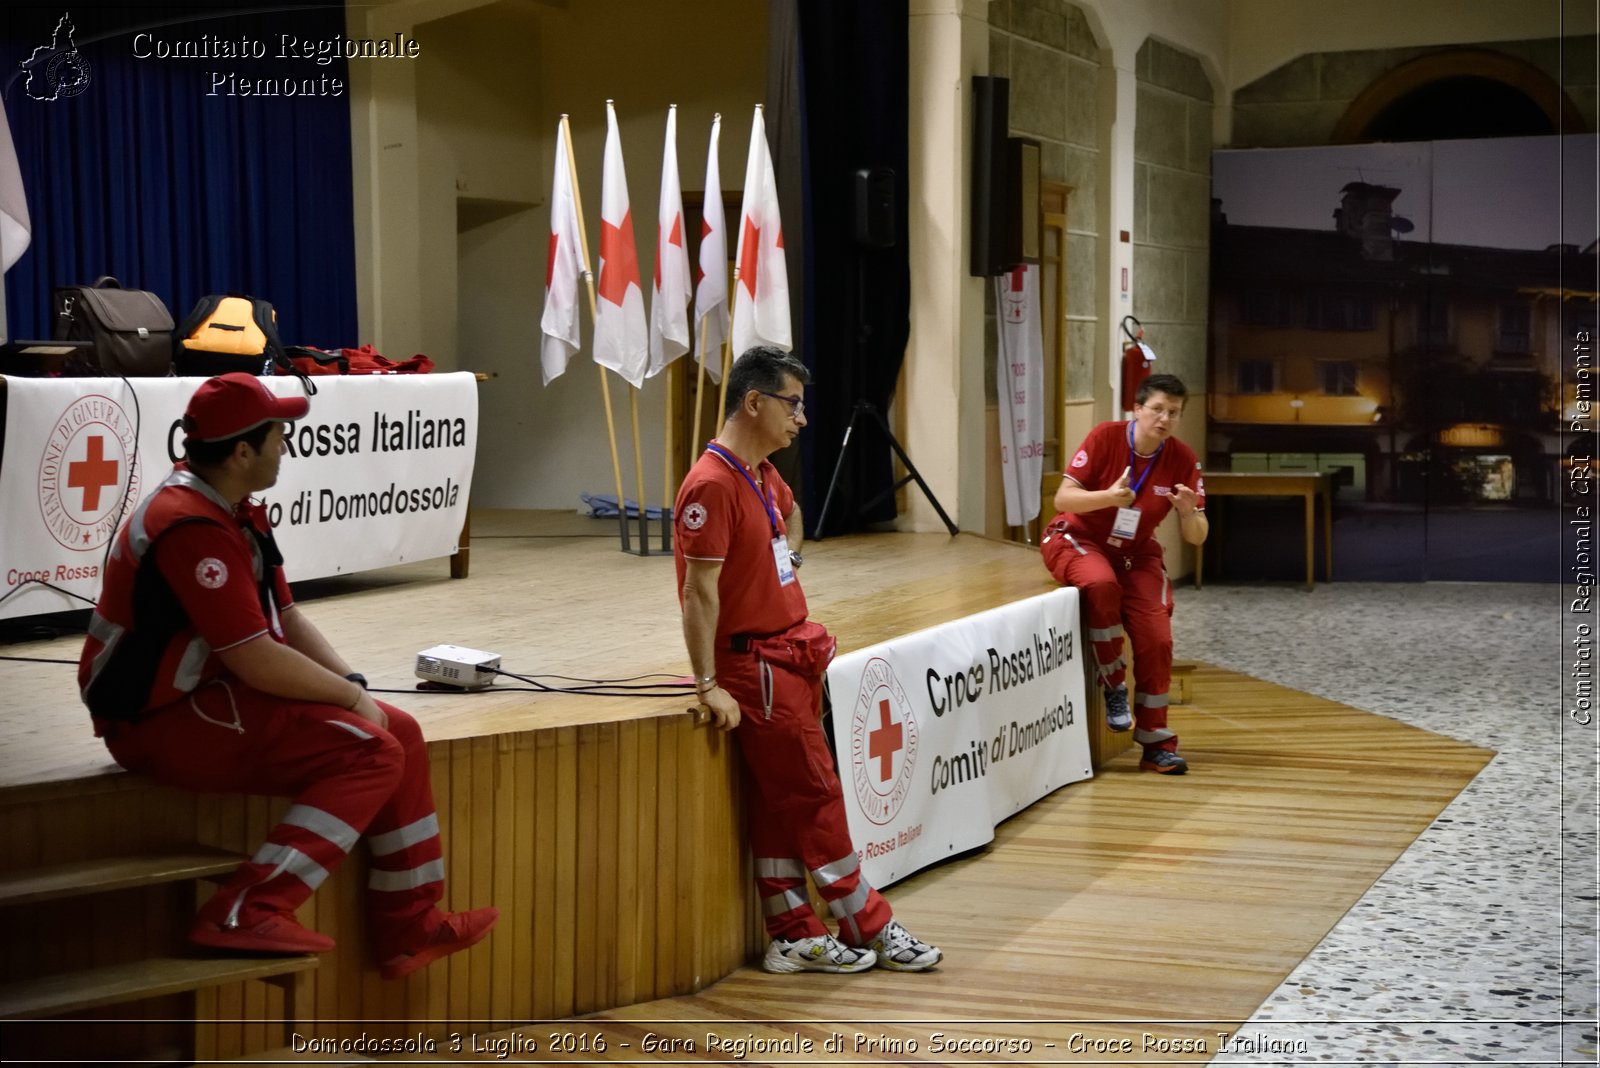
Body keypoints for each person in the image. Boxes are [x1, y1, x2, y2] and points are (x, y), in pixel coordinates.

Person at [77, 373, 497, 977]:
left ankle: (410, 926)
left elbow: (287, 618)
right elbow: (256, 656)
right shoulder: (188, 525)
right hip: (156, 719)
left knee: (397, 730)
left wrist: (353, 686)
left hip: (210, 696)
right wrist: (349, 699)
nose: (287, 445)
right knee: (371, 751)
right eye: (279, 434)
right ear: (243, 451)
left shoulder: (236, 510)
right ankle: (246, 909)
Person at [673, 347, 942, 974]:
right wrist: (707, 683)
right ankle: (869, 924)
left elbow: (789, 517)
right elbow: (697, 591)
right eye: (793, 404)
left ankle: (793, 931)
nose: (802, 419)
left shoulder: (759, 473)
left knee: (779, 801)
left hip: (787, 658)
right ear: (754, 402)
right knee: (817, 796)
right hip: (753, 669)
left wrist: (787, 561)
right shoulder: (711, 484)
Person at [1040, 373, 1208, 774]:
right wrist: (1109, 498)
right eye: (1157, 409)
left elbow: (1198, 536)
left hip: (1136, 553)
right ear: (1136, 409)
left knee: (1157, 636)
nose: (1164, 419)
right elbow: (1063, 499)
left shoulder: (1182, 459)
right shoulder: (1105, 437)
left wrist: (1188, 512)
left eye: (1174, 413)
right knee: (1100, 584)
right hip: (1078, 539)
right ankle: (1114, 685)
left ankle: (1155, 742)